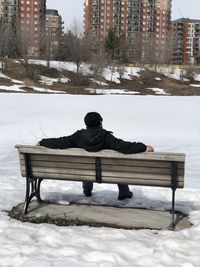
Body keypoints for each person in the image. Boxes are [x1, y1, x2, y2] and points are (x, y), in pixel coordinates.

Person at [38, 112, 154, 200]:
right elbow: (124, 146)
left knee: (87, 165)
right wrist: (143, 147)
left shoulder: (79, 136)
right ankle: (124, 193)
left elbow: (60, 142)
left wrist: (43, 142)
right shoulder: (106, 136)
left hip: (85, 172)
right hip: (109, 173)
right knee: (118, 166)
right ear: (100, 123)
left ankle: (87, 190)